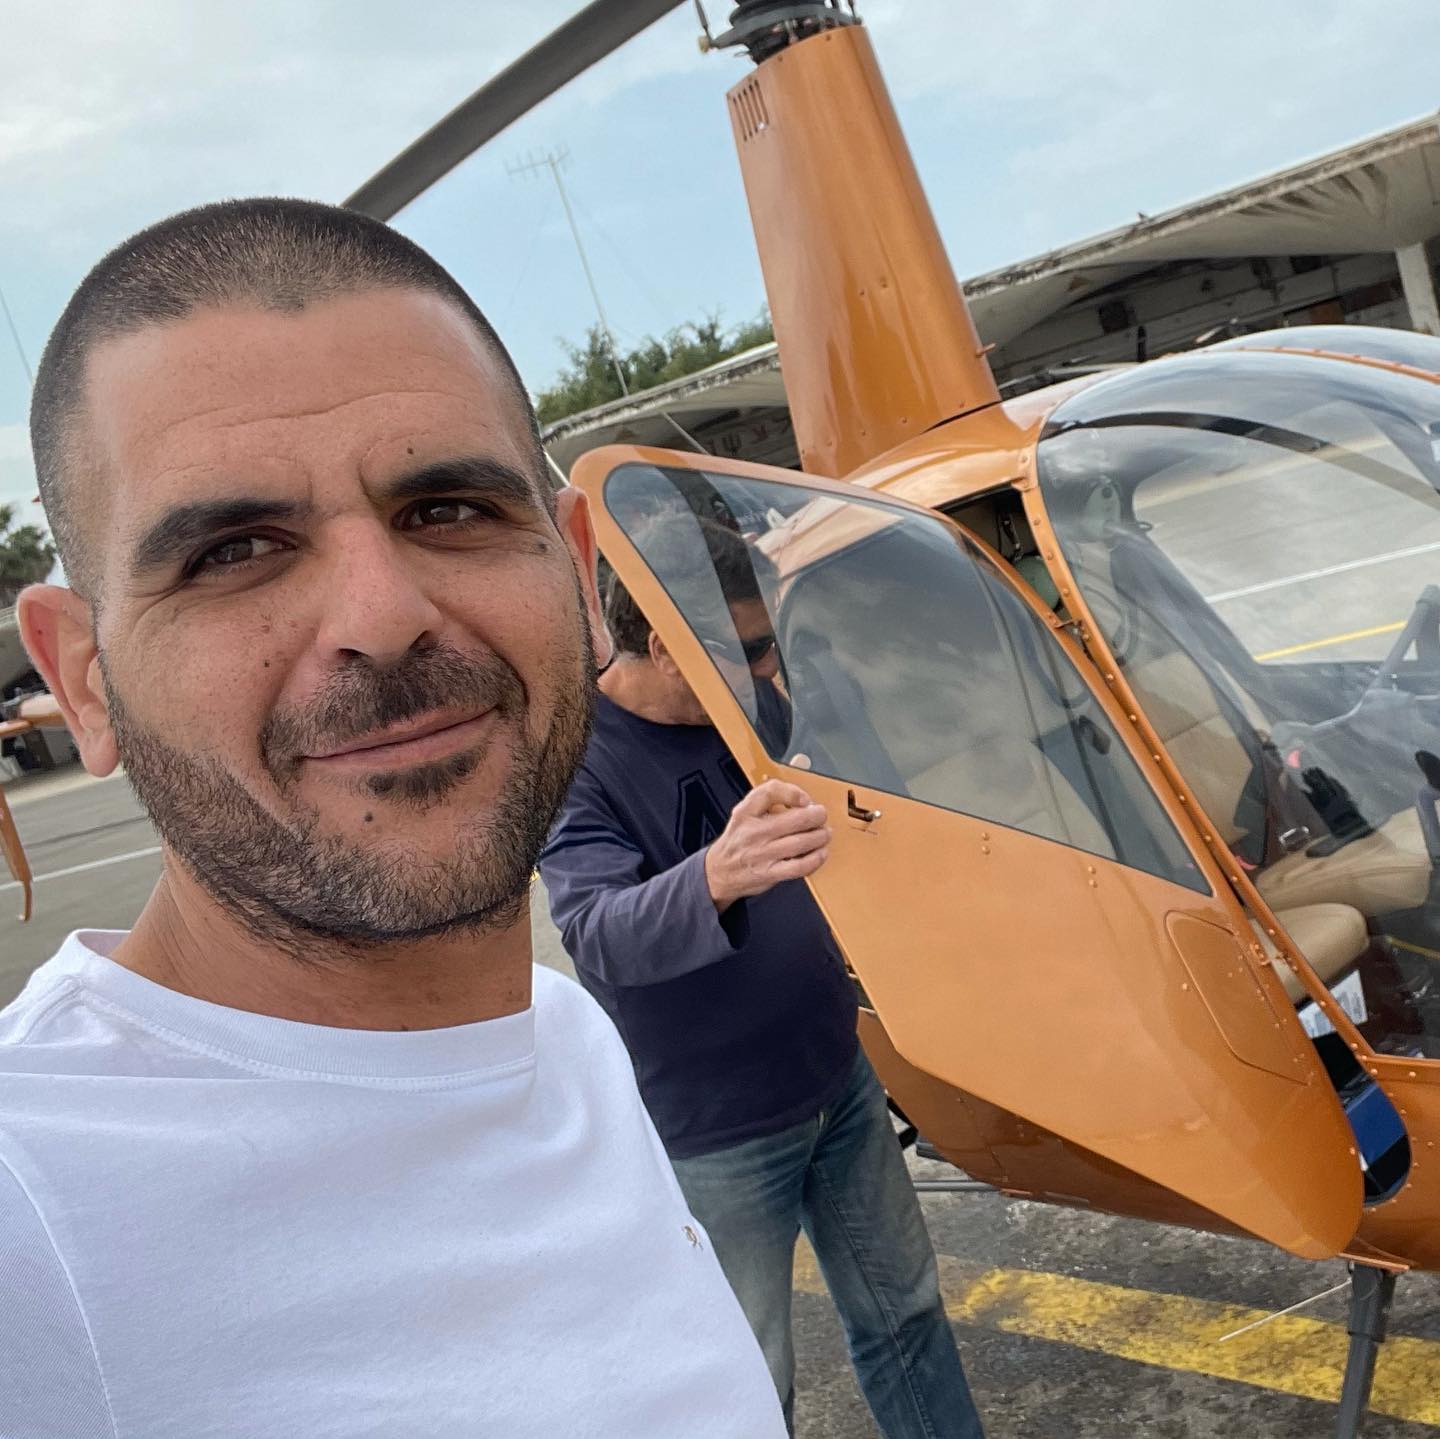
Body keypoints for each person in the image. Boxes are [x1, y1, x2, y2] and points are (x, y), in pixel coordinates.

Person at [1, 199, 786, 1439]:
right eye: (232, 550)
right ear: (85, 680)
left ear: (581, 578)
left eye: (449, 509)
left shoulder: (565, 1037)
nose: (385, 614)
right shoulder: (31, 1206)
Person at [539, 518, 987, 1437]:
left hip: (835, 1073)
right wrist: (717, 872)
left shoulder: (746, 704)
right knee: (745, 1378)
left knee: (906, 1314)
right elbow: (598, 931)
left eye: (768, 642)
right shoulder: (575, 761)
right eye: (746, 648)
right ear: (667, 645)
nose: (767, 669)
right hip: (719, 1129)